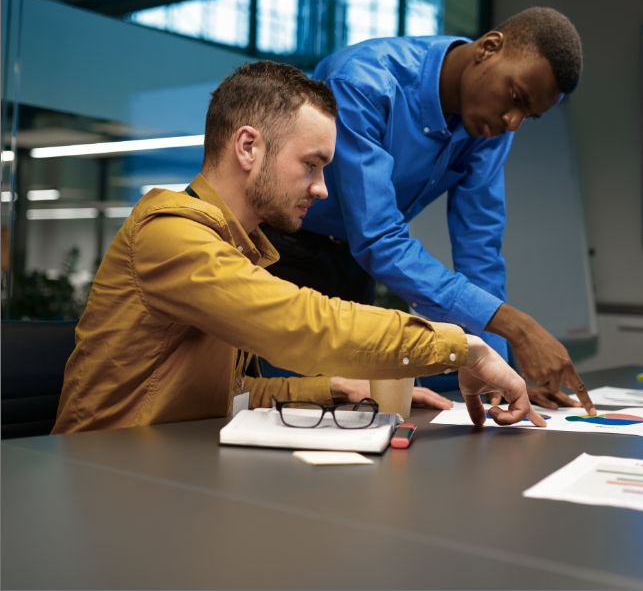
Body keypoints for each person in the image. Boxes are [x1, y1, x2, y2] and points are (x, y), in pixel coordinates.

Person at [52, 61, 546, 434]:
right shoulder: (170, 236)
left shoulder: (238, 246)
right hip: (104, 473)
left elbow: (224, 394)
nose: (323, 189)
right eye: (311, 164)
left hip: (168, 463)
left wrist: (331, 389)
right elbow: (300, 323)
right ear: (248, 147)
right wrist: (463, 347)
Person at [260, 7, 596, 415]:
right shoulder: (362, 82)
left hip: (353, 264)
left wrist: (500, 372)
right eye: (516, 98)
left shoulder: (488, 129)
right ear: (490, 47)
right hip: (281, 252)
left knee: (353, 415)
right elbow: (380, 239)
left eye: (529, 115)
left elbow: (480, 250)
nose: (512, 123)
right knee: (279, 411)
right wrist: (515, 325)